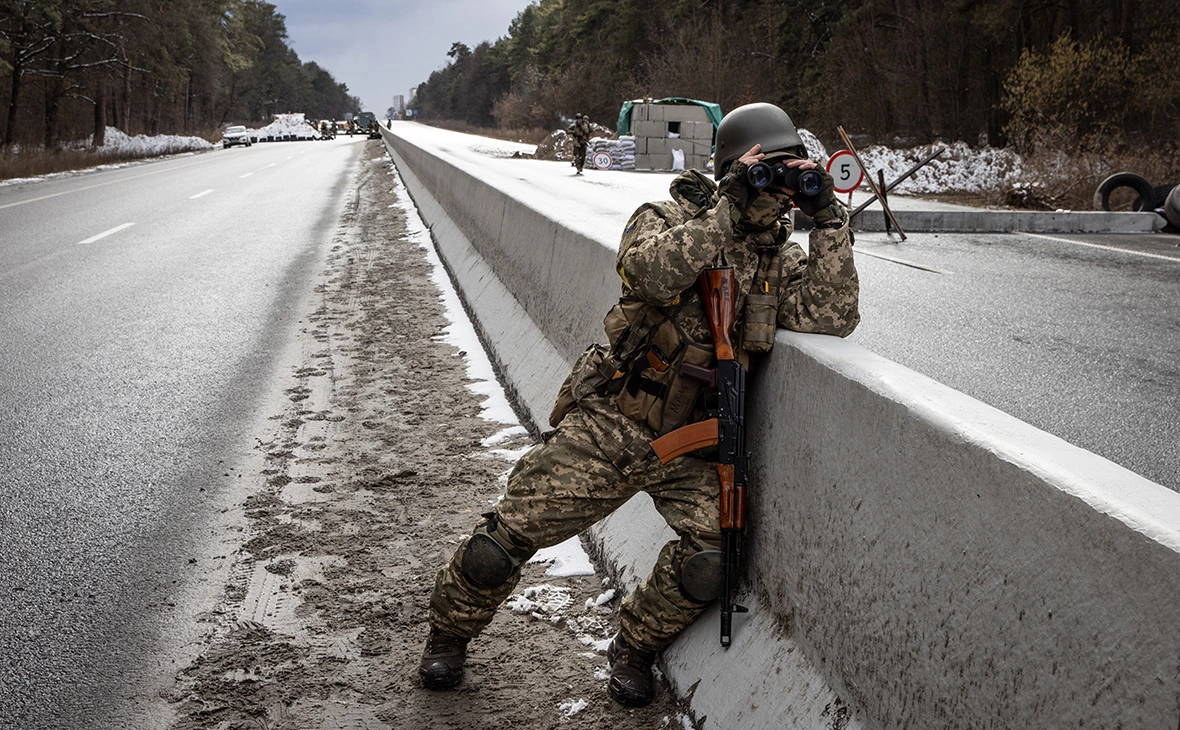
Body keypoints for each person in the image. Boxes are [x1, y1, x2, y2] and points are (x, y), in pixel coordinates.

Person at [418, 102, 860, 707]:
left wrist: (828, 217)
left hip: (693, 443)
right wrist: (728, 207)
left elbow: (833, 316)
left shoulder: (778, 261)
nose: (779, 186)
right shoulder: (669, 215)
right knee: (501, 542)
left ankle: (633, 646)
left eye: (789, 172)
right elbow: (650, 274)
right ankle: (449, 635)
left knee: (712, 560)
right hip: (614, 421)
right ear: (733, 168)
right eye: (769, 170)